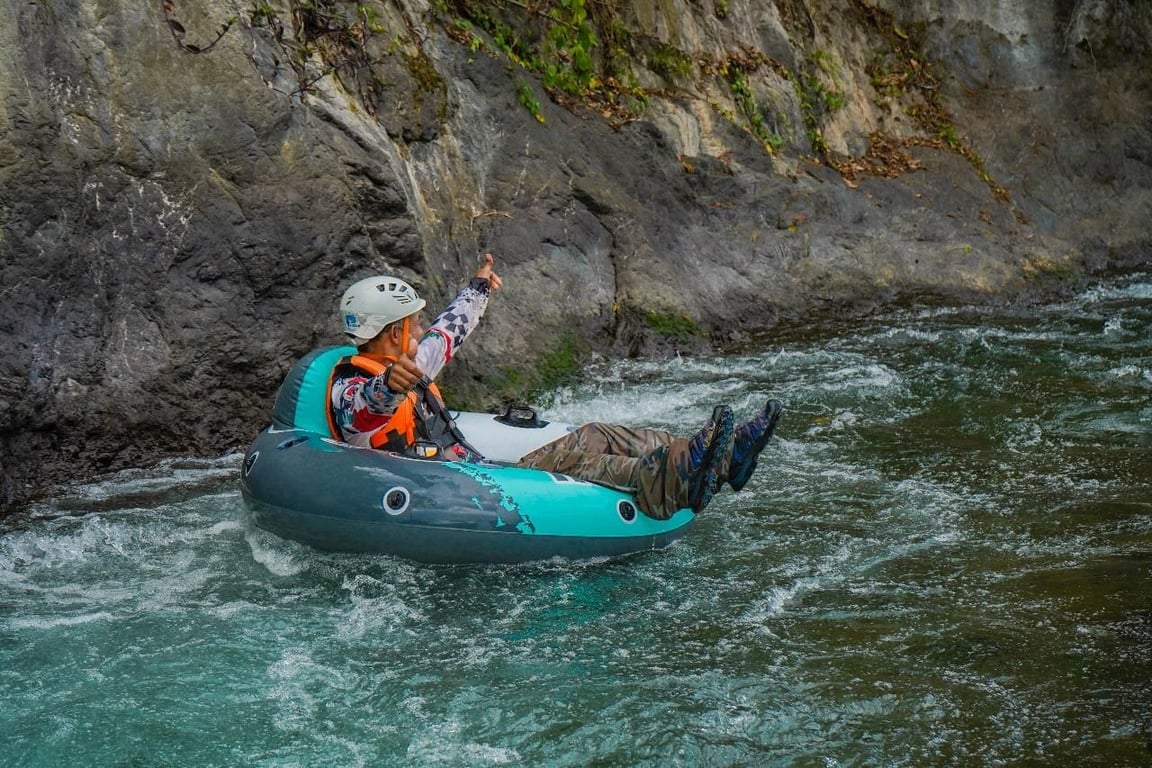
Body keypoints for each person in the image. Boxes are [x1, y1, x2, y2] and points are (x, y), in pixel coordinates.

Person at [331, 254, 783, 520]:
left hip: (477, 468)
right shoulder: (354, 386)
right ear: (392, 332)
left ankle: (719, 457)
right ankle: (679, 476)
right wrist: (387, 387)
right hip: (465, 489)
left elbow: (448, 332)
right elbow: (361, 414)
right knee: (573, 460)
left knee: (597, 433)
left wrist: (479, 289)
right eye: (410, 324)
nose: (417, 331)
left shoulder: (412, 362)